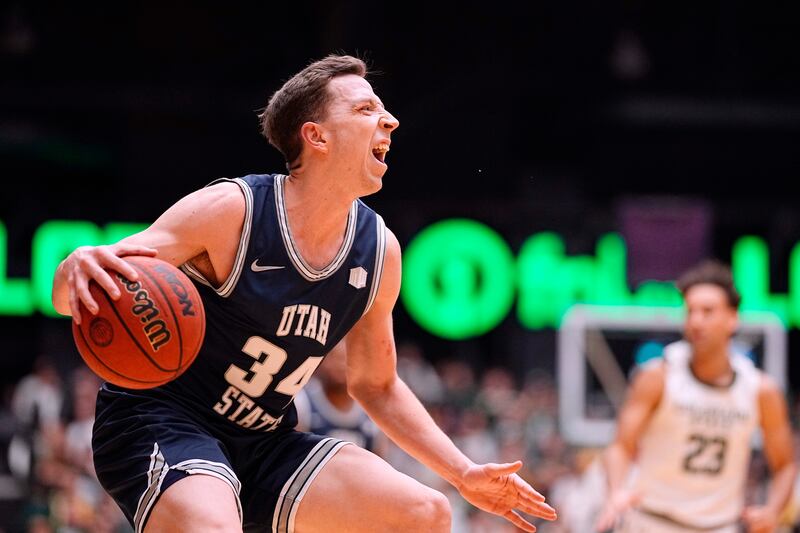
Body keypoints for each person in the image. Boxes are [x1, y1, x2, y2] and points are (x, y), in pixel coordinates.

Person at [51, 54, 556, 533]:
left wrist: (463, 472)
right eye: (366, 109)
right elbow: (80, 291)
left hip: (263, 440)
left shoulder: (379, 252)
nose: (391, 121)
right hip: (162, 417)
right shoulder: (233, 211)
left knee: (423, 512)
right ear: (316, 136)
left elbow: (375, 385)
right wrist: (72, 269)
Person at [594, 260, 796, 533]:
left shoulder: (761, 390)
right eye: (690, 311)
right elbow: (620, 446)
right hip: (651, 521)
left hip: (720, 526)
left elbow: (784, 465)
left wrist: (772, 511)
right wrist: (616, 490)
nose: (696, 320)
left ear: (732, 318)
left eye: (708, 311)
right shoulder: (658, 376)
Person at [294, 339, 388, 457]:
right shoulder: (302, 402)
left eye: (344, 359)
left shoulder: (373, 412)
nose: (338, 365)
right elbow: (293, 458)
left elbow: (380, 465)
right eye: (333, 357)